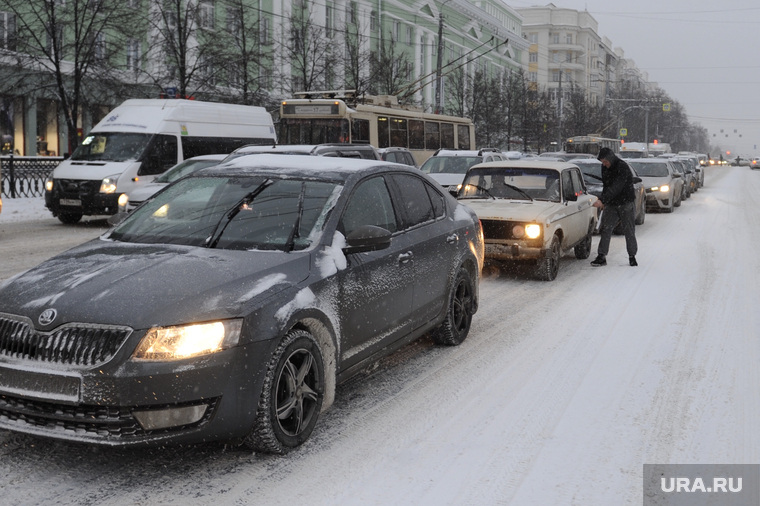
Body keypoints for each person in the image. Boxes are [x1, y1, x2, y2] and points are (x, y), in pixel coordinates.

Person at [590, 147, 638, 267]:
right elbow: (607, 186)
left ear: (610, 158)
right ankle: (601, 256)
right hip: (612, 204)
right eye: (602, 162)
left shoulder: (622, 167)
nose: (604, 164)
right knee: (606, 228)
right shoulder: (604, 168)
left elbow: (617, 187)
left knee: (629, 230)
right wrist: (604, 201)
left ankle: (632, 256)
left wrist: (603, 200)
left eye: (605, 161)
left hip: (626, 202)